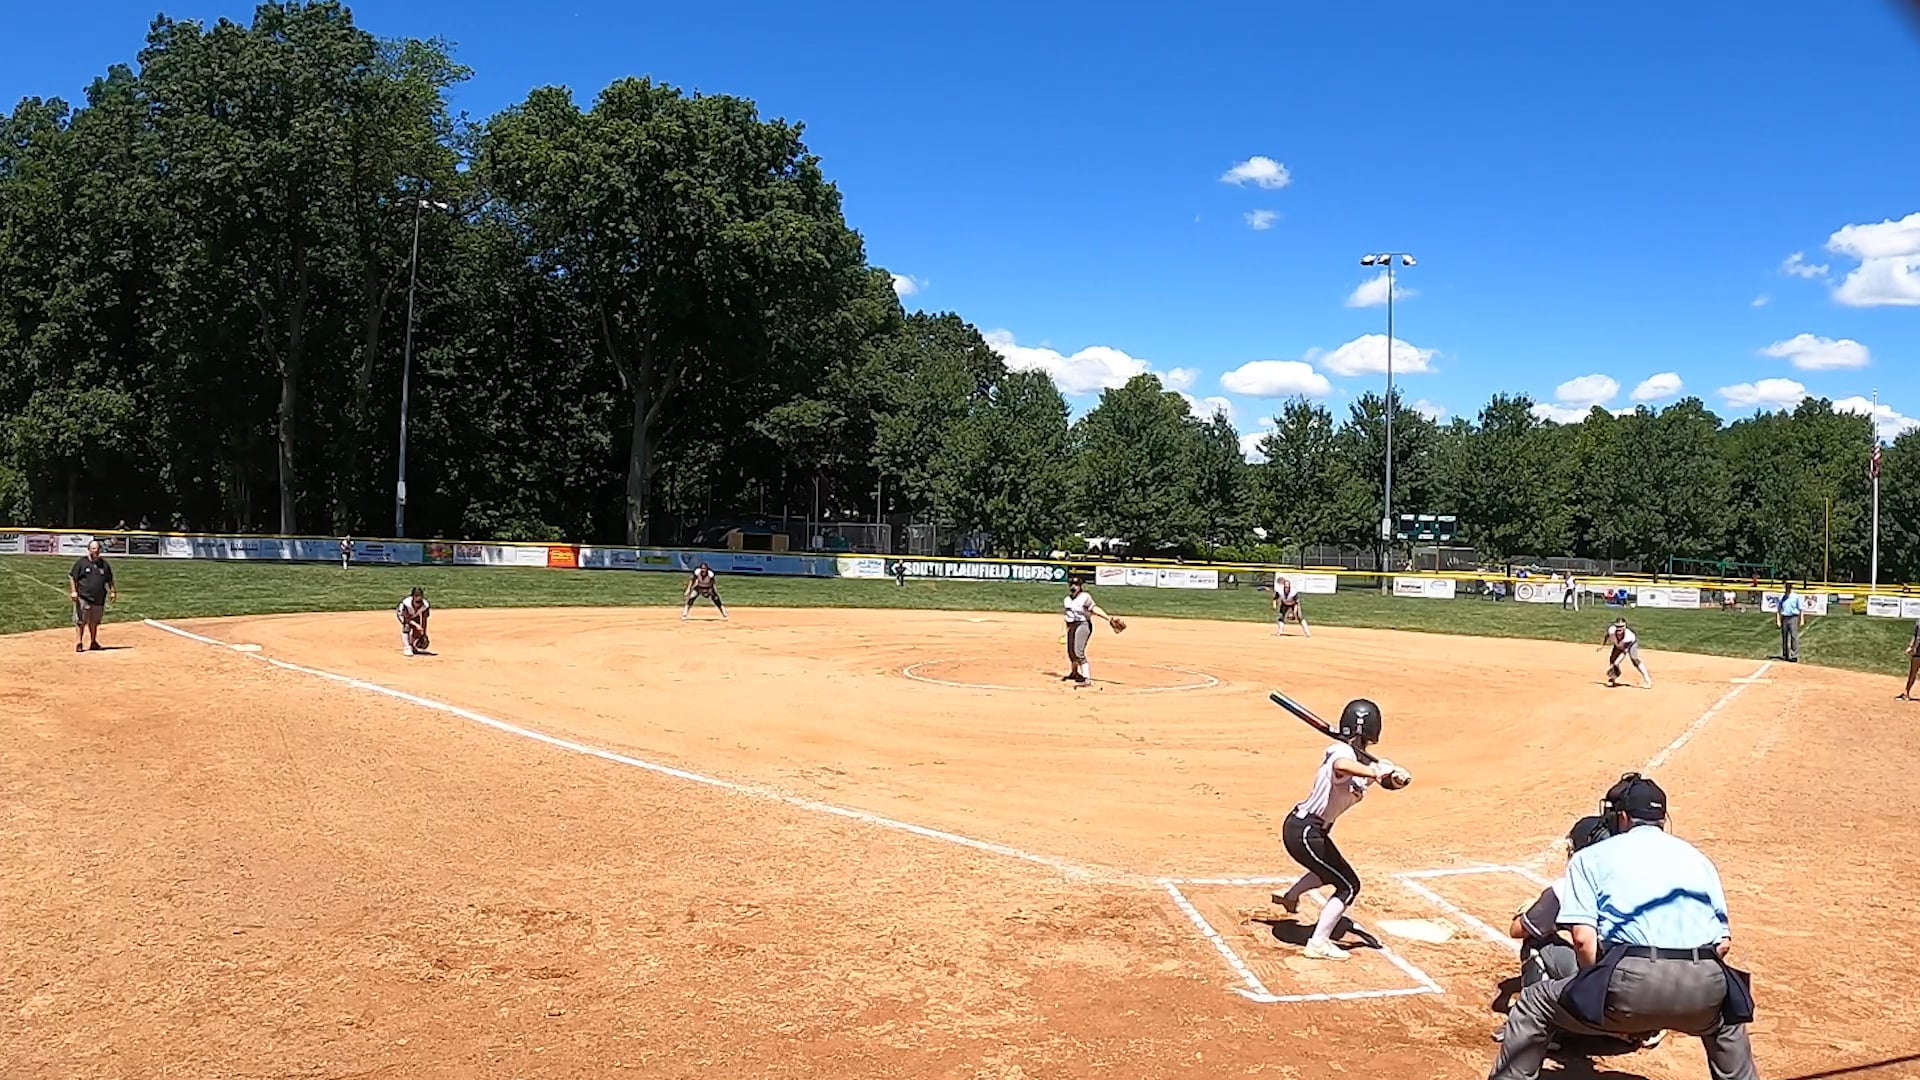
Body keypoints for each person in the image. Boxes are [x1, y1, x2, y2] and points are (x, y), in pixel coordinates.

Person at [1486, 773, 1757, 1080]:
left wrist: (1596, 988)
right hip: (1705, 984)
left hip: (1629, 985)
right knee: (1727, 1021)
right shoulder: (1701, 860)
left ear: (1623, 817)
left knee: (1534, 1004)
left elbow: (1583, 941)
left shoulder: (1590, 857)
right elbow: (1722, 944)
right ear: (1662, 818)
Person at [1503, 816, 1659, 1055]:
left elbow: (1518, 929)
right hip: (1655, 997)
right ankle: (1640, 1028)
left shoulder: (1566, 888)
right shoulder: (1646, 882)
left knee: (1536, 941)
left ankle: (1541, 1029)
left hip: (1606, 1001)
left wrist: (1533, 912)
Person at [1269, 700, 1409, 961]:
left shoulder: (1364, 762)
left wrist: (1395, 777)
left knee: (1330, 870)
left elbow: (1385, 781)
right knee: (1349, 886)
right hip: (1305, 831)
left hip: (1312, 832)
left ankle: (1290, 897)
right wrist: (1375, 771)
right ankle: (1318, 943)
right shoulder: (1341, 751)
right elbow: (1341, 766)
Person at [1060, 575, 1121, 686]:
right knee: (1071, 652)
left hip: (1083, 625)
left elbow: (1094, 609)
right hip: (1072, 625)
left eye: (1076, 584)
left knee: (1078, 652)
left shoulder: (1085, 597)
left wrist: (1108, 618)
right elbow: (1067, 618)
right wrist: (1065, 632)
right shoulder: (1067, 600)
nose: (1074, 586)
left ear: (1080, 586)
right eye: (1072, 584)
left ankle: (1087, 678)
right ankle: (1074, 673)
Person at [67, 539, 117, 653]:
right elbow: (72, 577)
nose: (96, 551)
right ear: (89, 550)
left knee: (94, 621)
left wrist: (113, 591)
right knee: (81, 621)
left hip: (99, 598)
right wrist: (74, 591)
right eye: (94, 548)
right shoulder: (82, 563)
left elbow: (109, 579)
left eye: (98, 549)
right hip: (83, 597)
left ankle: (93, 641)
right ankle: (79, 642)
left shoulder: (104, 564)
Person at [1599, 618, 1652, 689]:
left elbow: (1624, 652)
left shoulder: (1629, 637)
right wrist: (1602, 645)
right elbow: (1607, 636)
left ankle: (1647, 680)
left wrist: (1617, 663)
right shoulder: (1611, 631)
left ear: (1625, 626)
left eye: (1621, 626)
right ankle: (1613, 678)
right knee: (1612, 659)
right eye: (1617, 626)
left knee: (1634, 659)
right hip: (1619, 644)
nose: (1619, 628)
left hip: (1631, 644)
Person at [396, 587, 431, 656]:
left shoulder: (425, 605)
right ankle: (407, 647)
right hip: (403, 615)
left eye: (420, 602)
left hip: (415, 614)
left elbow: (424, 620)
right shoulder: (406, 604)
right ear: (413, 598)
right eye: (417, 602)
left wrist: (424, 633)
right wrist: (416, 625)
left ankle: (412, 645)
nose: (419, 604)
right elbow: (406, 619)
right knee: (407, 626)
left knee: (418, 630)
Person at [1776, 581, 1803, 663]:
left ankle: (1794, 655)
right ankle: (1785, 654)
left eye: (1789, 587)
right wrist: (1778, 620)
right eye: (1786, 587)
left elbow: (1800, 609)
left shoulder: (1796, 597)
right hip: (1784, 617)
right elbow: (1779, 609)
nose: (1788, 588)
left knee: (1794, 636)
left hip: (1793, 617)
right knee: (1784, 637)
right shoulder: (1782, 597)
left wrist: (1801, 619)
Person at [1900, 617, 1920, 701]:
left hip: (1918, 652)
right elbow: (1915, 636)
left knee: (1913, 672)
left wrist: (1914, 648)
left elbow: (1918, 638)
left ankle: (1906, 693)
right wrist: (1911, 646)